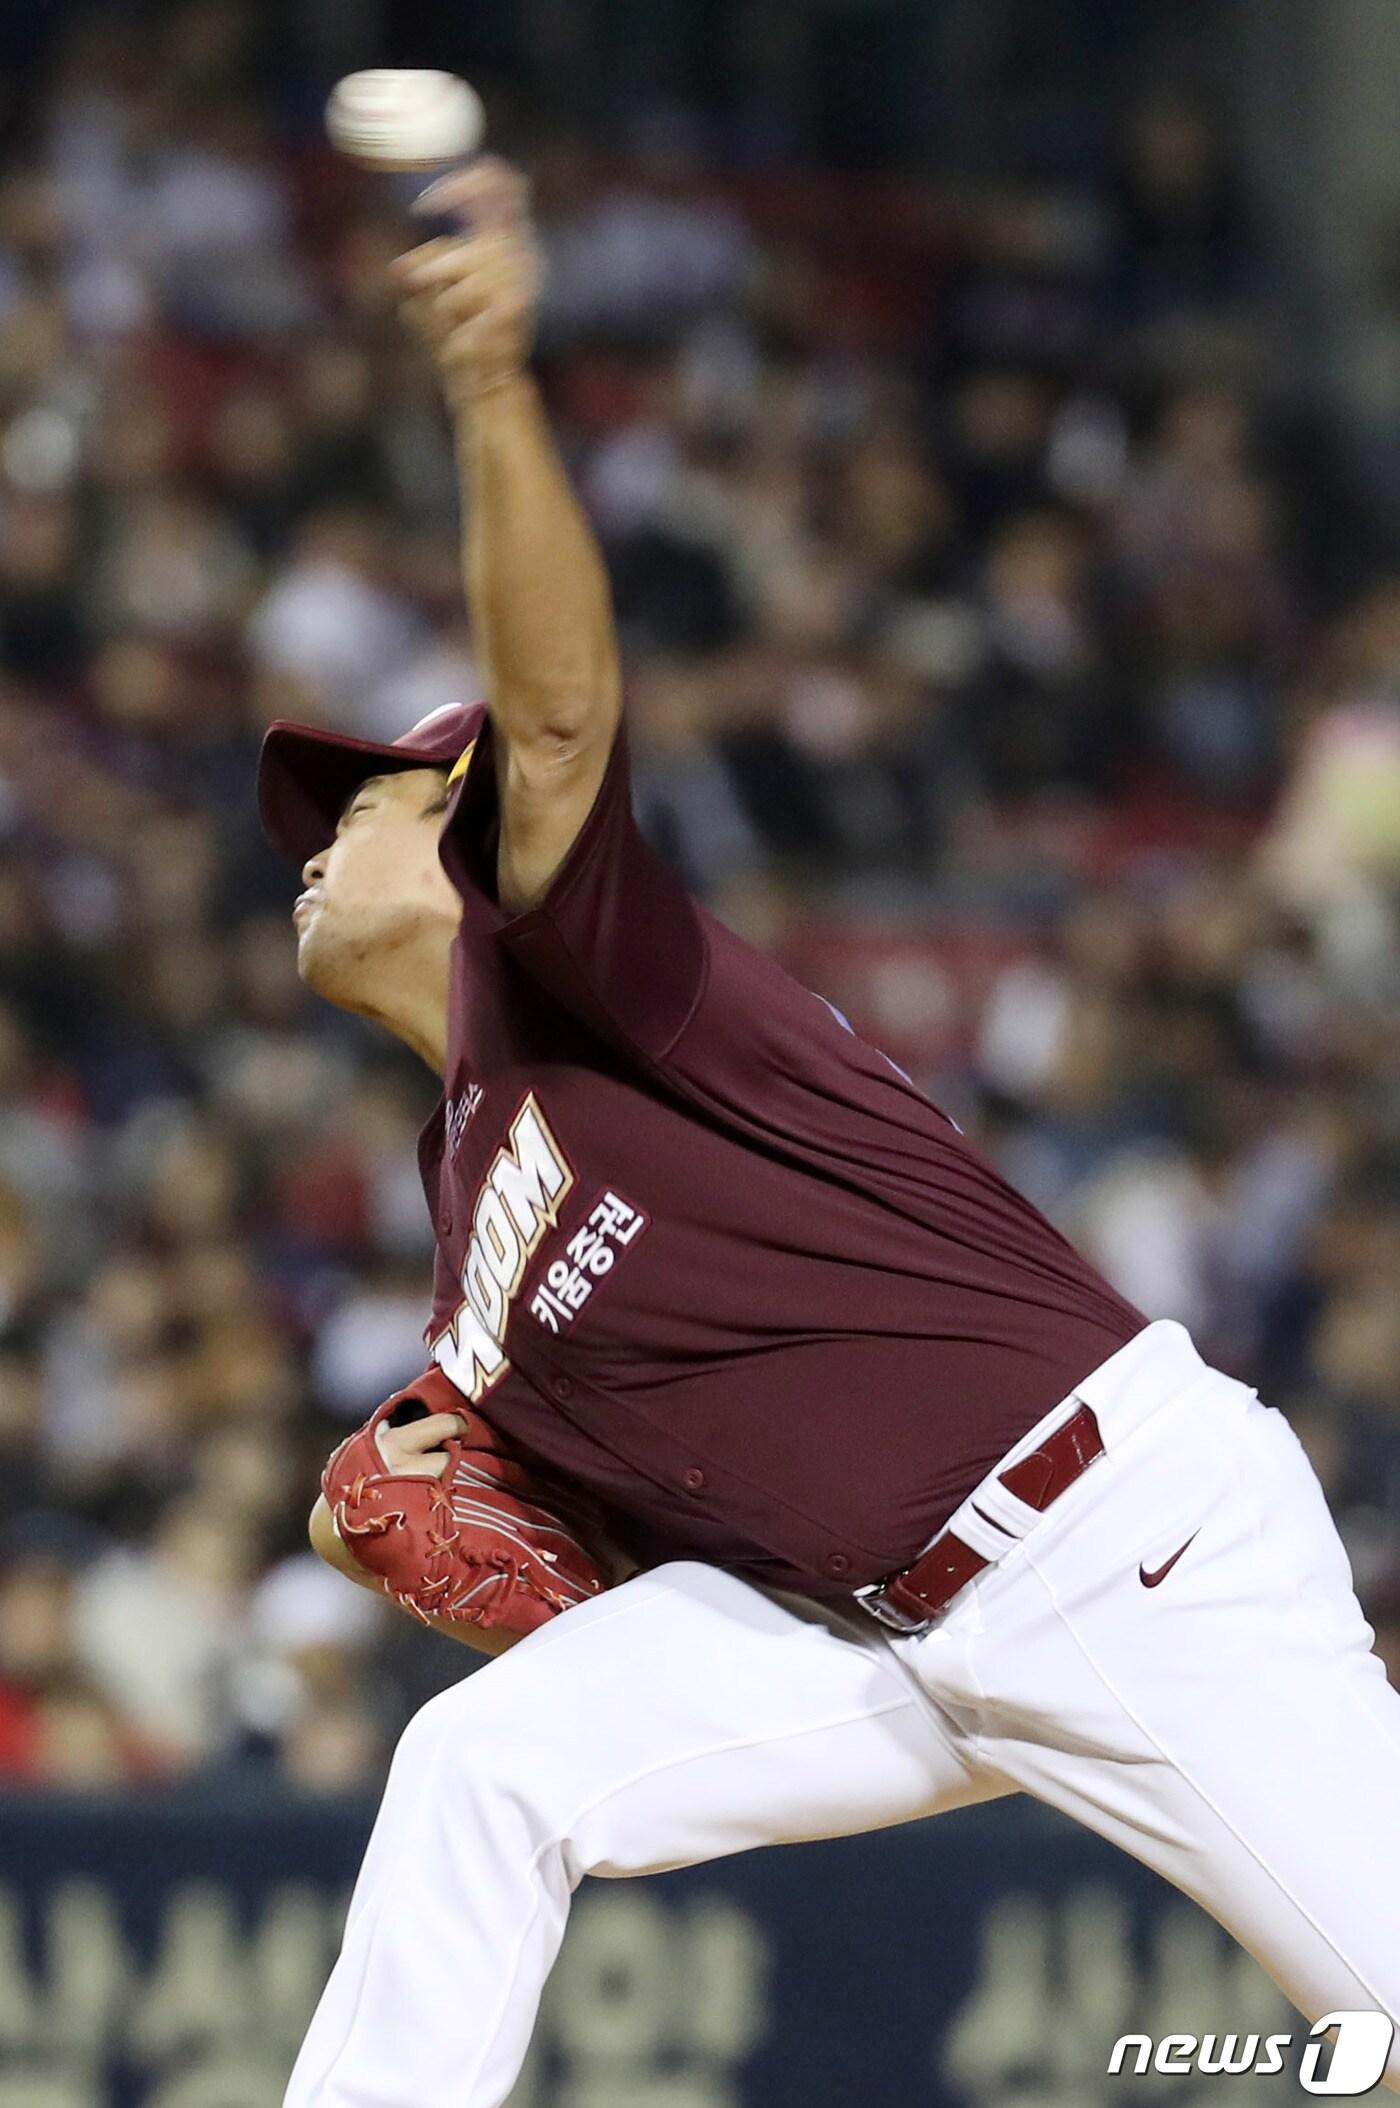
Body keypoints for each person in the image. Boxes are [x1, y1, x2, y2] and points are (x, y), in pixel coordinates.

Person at [256, 161, 1400, 2106]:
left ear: (451, 836)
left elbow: (551, 722)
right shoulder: (468, 1230)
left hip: (1130, 1543)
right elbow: (584, 1526)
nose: (312, 843)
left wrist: (493, 388)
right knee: (482, 1760)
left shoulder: (587, 971)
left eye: (355, 804)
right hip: (867, 1640)